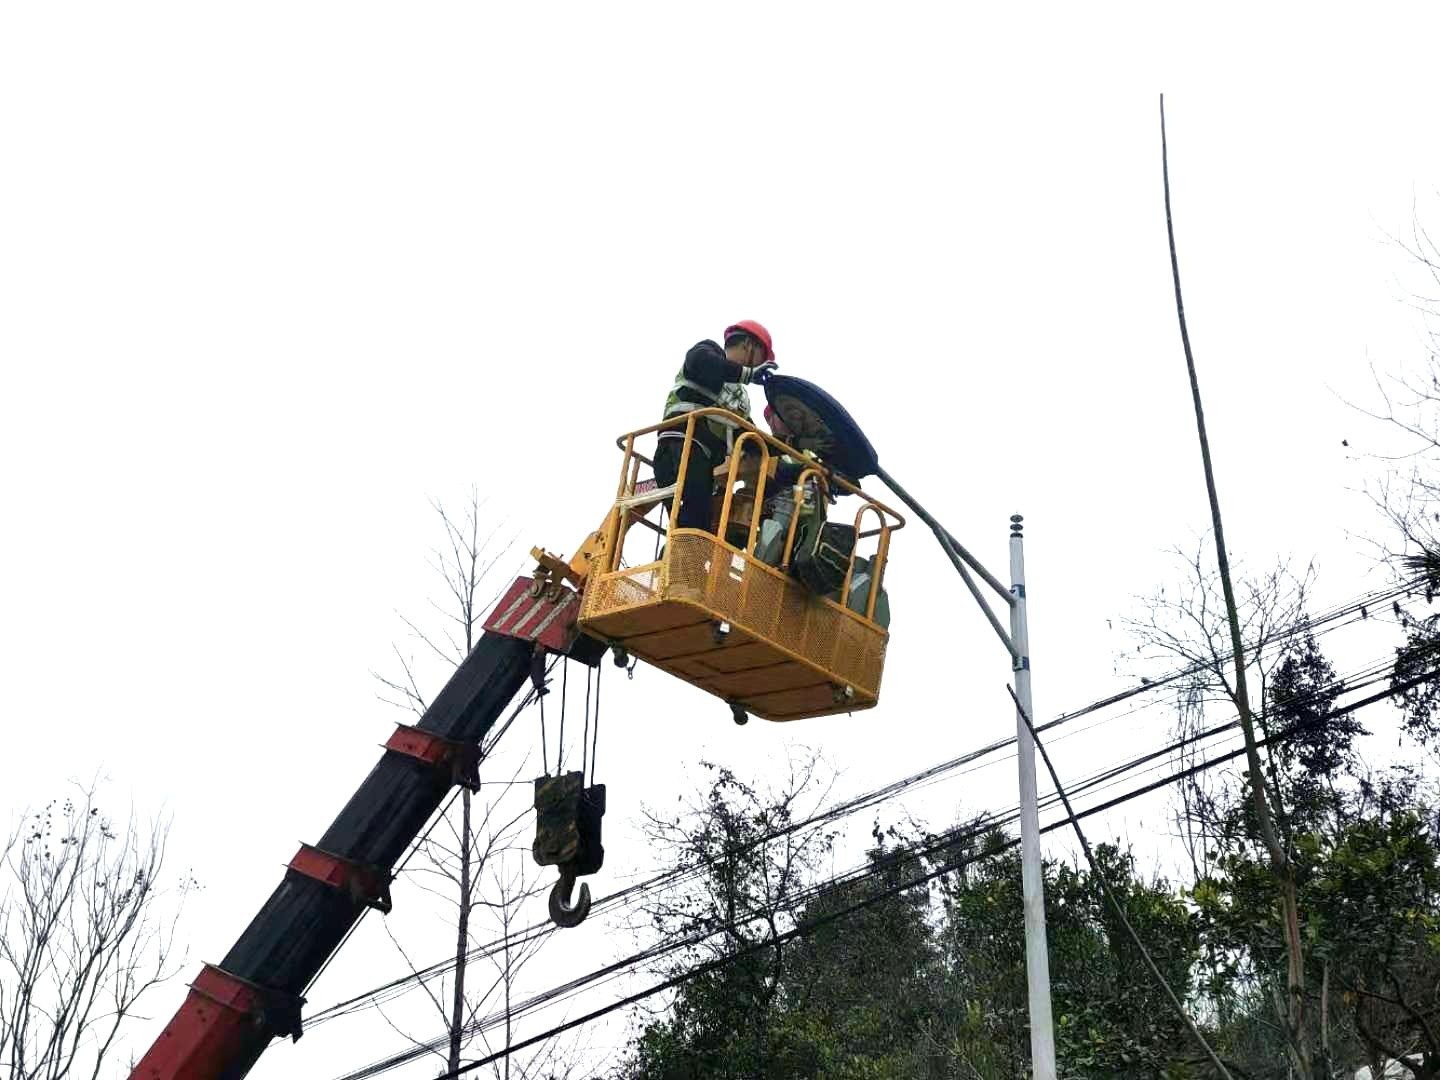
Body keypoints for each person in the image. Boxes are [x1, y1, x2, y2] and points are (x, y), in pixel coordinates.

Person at [654, 321, 777, 531]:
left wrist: (794, 443)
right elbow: (701, 363)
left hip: (701, 461)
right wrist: (747, 374)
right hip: (679, 447)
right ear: (748, 345)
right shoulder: (708, 352)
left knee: (697, 524)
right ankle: (685, 558)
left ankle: (683, 560)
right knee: (692, 522)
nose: (758, 366)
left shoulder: (738, 397)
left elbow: (751, 438)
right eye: (760, 359)